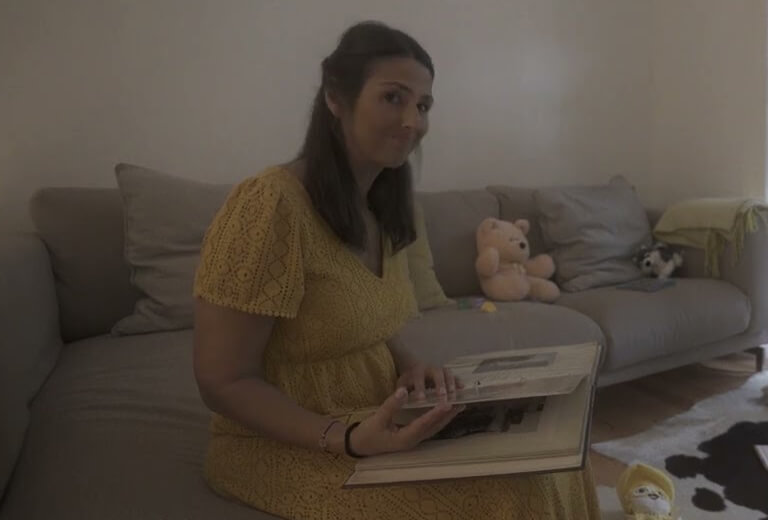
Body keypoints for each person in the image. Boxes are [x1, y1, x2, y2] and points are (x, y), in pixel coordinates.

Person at [191, 20, 600, 520]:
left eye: (423, 106)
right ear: (335, 97)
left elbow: (359, 320)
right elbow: (223, 381)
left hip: (378, 417)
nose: (412, 121)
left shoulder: (383, 208)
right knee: (514, 496)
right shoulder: (269, 204)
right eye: (393, 98)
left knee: (559, 463)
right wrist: (346, 438)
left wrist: (408, 364)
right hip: (283, 443)